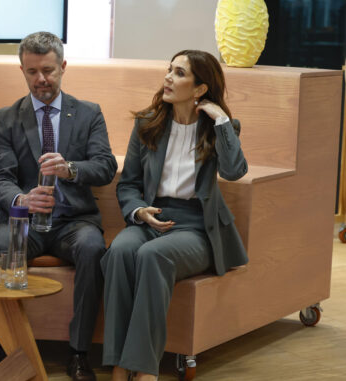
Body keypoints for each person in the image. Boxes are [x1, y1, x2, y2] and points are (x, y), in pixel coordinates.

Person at [100, 50, 249, 381]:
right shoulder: (148, 123)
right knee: (120, 252)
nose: (168, 77)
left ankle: (142, 369)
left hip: (197, 227)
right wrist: (139, 211)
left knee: (154, 256)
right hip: (152, 216)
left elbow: (234, 170)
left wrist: (221, 120)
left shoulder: (219, 128)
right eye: (169, 70)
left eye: (179, 73)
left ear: (199, 89)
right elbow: (129, 185)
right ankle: (118, 362)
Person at [0, 31, 118, 381]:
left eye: (47, 70)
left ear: (62, 66)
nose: (40, 79)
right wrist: (23, 199)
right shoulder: (6, 118)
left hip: (72, 220)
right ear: (22, 70)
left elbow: (105, 167)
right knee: (3, 245)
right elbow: (0, 179)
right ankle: (7, 346)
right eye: (32, 72)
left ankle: (79, 352)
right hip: (24, 220)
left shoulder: (89, 113)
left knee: (93, 249)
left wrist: (71, 169)